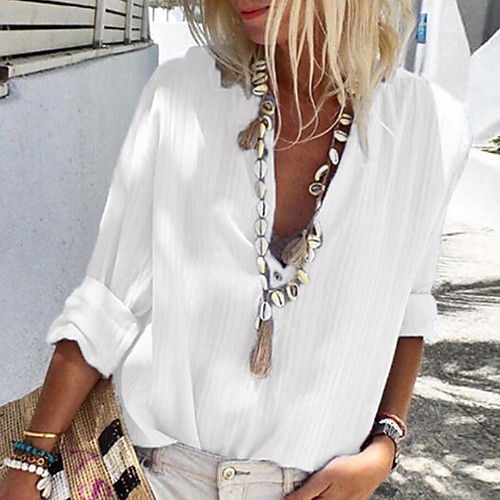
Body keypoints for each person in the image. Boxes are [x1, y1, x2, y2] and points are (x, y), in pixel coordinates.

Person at [0, 0, 472, 498]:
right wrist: (27, 462)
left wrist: (385, 447)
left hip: (311, 488)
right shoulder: (181, 93)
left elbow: (409, 311)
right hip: (155, 478)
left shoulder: (433, 130)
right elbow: (107, 301)